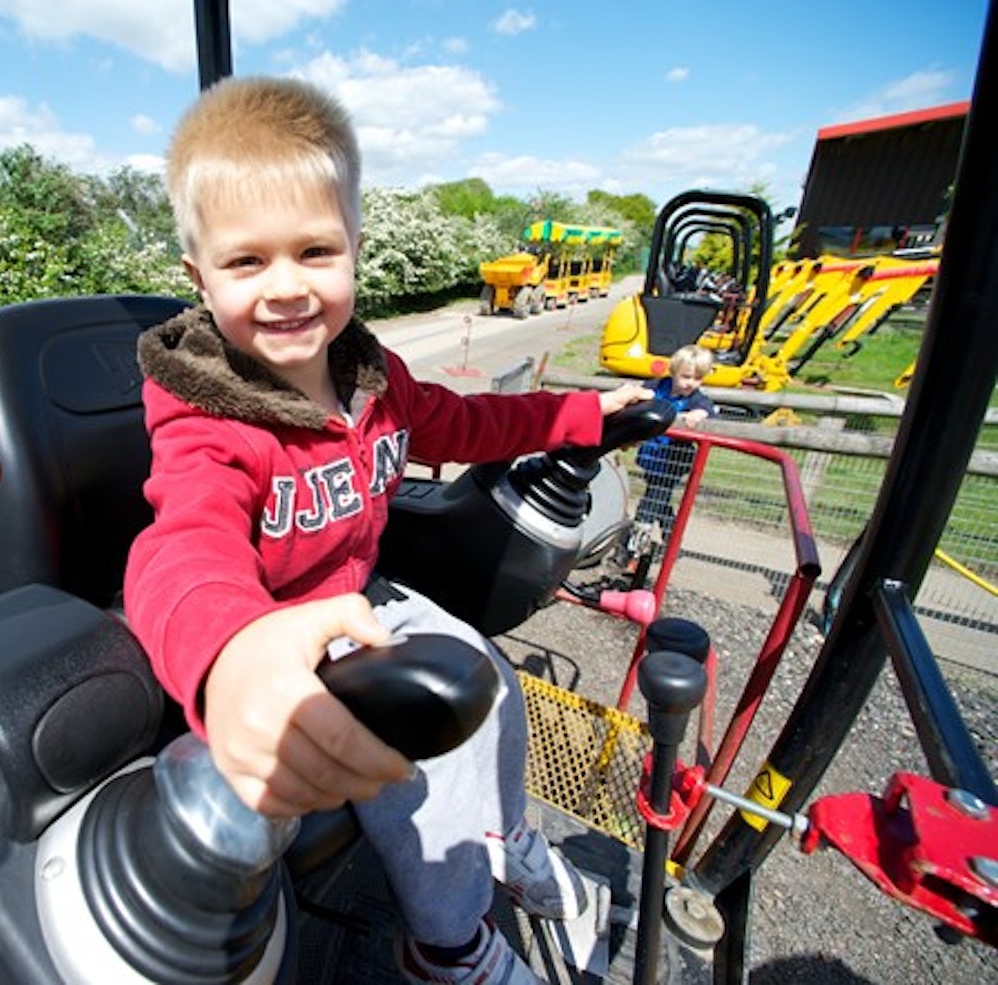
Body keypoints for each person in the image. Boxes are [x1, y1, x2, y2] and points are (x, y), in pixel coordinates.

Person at [123, 76, 651, 985]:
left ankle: (509, 837)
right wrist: (233, 652)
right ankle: (447, 946)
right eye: (247, 263)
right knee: (421, 760)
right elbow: (183, 548)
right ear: (198, 276)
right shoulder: (207, 418)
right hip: (278, 629)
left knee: (486, 677)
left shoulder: (370, 377)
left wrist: (582, 416)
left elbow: (464, 424)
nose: (287, 288)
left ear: (355, 251)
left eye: (315, 252)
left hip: (360, 597)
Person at [633, 344, 717, 540]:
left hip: (673, 459)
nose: (691, 384)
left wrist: (698, 414)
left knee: (651, 500)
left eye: (698, 379)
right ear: (673, 372)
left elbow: (707, 409)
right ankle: (672, 537)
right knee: (660, 499)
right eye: (686, 377)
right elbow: (639, 390)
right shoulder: (658, 386)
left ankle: (632, 547)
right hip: (652, 455)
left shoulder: (696, 399)